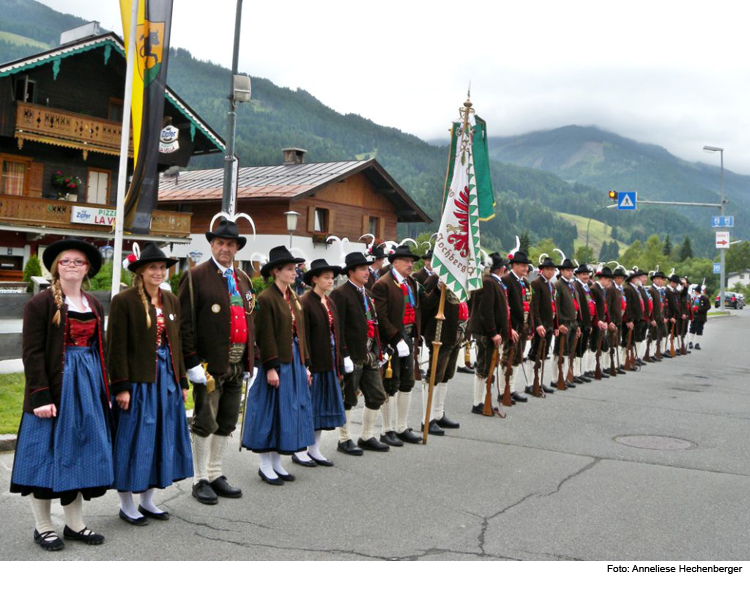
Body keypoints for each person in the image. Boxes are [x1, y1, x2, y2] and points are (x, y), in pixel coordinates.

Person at [10, 238, 112, 551]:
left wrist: (103, 389)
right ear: (57, 267)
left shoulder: (93, 304)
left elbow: (99, 349)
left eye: (78, 262)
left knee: (82, 454)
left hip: (87, 388)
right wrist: (40, 396)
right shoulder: (40, 304)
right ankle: (43, 527)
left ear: (87, 269)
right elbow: (33, 353)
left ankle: (74, 524)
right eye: (65, 261)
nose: (71, 266)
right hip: (55, 388)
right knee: (45, 455)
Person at [107, 243, 193, 525]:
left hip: (166, 379)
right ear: (141, 270)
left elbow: (176, 345)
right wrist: (121, 386)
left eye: (162, 267)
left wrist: (181, 380)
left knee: (160, 438)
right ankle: (126, 503)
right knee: (134, 440)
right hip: (139, 382)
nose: (158, 272)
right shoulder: (125, 300)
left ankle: (147, 500)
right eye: (153, 267)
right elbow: (116, 347)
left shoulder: (171, 300)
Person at [179, 217, 255, 504]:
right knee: (205, 421)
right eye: (220, 243)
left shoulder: (244, 279)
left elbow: (251, 319)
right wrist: (191, 361)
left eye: (230, 244)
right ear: (211, 244)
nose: (225, 248)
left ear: (237, 248)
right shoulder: (195, 276)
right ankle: (199, 479)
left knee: (226, 420)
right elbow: (185, 324)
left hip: (237, 363)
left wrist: (252, 360)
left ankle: (215, 472)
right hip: (209, 365)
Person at [242, 246, 315, 485]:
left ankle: (276, 463)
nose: (295, 273)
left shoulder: (292, 297)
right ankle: (265, 465)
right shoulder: (266, 298)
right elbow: (264, 335)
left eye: (295, 269)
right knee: (270, 413)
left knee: (286, 413)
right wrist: (271, 367)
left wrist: (305, 364)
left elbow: (300, 333)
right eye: (290, 269)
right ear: (276, 271)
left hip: (293, 361)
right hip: (277, 364)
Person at [329, 252, 389, 454]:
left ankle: (366, 435)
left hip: (369, 353)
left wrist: (379, 350)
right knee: (348, 397)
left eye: (367, 268)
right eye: (362, 269)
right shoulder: (341, 293)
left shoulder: (367, 294)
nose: (367, 272)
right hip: (352, 353)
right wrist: (343, 354)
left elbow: (373, 323)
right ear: (351, 272)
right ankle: (344, 439)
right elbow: (337, 327)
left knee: (377, 395)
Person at [296, 259, 347, 467]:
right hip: (314, 363)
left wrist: (342, 359)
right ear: (314, 279)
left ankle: (314, 449)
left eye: (331, 277)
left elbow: (337, 332)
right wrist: (305, 364)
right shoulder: (306, 302)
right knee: (307, 408)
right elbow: (302, 336)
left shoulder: (330, 301)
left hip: (330, 362)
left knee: (320, 409)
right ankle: (300, 450)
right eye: (326, 277)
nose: (330, 280)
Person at [372, 245, 423, 445]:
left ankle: (401, 427)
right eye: (406, 261)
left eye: (412, 261)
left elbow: (417, 308)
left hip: (409, 337)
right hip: (393, 341)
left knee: (407, 383)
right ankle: (387, 429)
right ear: (395, 262)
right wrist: (395, 338)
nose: (411, 264)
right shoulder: (383, 284)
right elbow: (381, 317)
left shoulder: (411, 282)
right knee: (391, 384)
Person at [420, 272, 464, 434]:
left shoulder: (459, 279)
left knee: (446, 375)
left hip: (454, 334)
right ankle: (427, 418)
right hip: (440, 333)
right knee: (434, 376)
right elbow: (426, 306)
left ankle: (438, 414)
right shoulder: (435, 279)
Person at [469, 253, 511, 412]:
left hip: (489, 332)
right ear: (501, 269)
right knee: (483, 367)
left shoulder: (492, 282)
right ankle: (477, 402)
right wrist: (493, 332)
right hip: (485, 333)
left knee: (488, 366)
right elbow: (486, 310)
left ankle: (482, 401)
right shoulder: (488, 282)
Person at [502, 249, 535, 401]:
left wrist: (530, 326)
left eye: (526, 265)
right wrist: (509, 327)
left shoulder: (525, 282)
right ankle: (503, 391)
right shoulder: (507, 280)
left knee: (517, 358)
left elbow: (530, 304)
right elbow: (505, 305)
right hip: (512, 324)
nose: (525, 268)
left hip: (523, 325)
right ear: (514, 265)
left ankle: (512, 388)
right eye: (522, 265)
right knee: (507, 357)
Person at [529, 255, 558, 394]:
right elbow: (534, 306)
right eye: (548, 269)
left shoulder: (551, 285)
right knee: (535, 353)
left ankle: (539, 381)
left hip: (549, 324)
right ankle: (530, 383)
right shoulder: (536, 283)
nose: (550, 272)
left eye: (552, 269)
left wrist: (555, 325)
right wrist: (538, 324)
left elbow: (554, 306)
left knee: (543, 354)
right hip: (540, 325)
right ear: (542, 270)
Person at [553, 257, 581, 388]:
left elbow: (577, 304)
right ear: (562, 271)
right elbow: (557, 306)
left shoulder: (572, 285)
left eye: (572, 270)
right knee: (559, 351)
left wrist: (577, 323)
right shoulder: (558, 285)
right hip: (564, 321)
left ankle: (564, 377)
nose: (570, 273)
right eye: (568, 270)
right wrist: (559, 323)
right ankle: (556, 378)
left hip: (573, 321)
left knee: (568, 351)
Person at [588, 266, 613, 378]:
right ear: (602, 278)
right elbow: (594, 308)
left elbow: (604, 308)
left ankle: (598, 367)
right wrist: (598, 321)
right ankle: (589, 369)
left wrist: (608, 320)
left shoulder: (602, 290)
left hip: (602, 322)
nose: (609, 282)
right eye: (608, 280)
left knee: (601, 345)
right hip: (596, 322)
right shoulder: (594, 289)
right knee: (593, 346)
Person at [573, 264, 596, 383]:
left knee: (582, 348)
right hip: (580, 322)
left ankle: (580, 372)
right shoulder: (575, 286)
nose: (586, 276)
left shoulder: (586, 286)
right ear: (577, 275)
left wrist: (590, 323)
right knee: (577, 348)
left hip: (587, 322)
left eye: (587, 274)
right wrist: (577, 324)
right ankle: (575, 373)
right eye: (583, 274)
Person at [606, 266, 627, 373]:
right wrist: (610, 321)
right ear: (614, 278)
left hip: (619, 320)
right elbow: (608, 306)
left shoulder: (619, 289)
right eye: (618, 278)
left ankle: (615, 365)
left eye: (622, 278)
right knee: (610, 343)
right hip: (613, 320)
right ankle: (609, 365)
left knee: (616, 343)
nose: (620, 280)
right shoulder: (610, 289)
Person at [648, 270, 669, 359]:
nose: (659, 281)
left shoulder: (659, 290)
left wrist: (663, 316)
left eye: (661, 279)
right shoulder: (651, 290)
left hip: (660, 316)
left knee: (658, 336)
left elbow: (662, 305)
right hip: (655, 317)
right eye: (657, 279)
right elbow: (652, 306)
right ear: (653, 280)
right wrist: (653, 318)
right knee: (652, 336)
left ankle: (656, 353)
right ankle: (650, 354)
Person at [689, 285, 711, 349]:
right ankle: (690, 342)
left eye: (695, 291)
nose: (694, 292)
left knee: (699, 330)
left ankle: (697, 343)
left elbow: (708, 307)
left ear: (697, 291)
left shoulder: (704, 298)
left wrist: (699, 309)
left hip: (700, 317)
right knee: (692, 329)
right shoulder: (694, 298)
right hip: (694, 316)